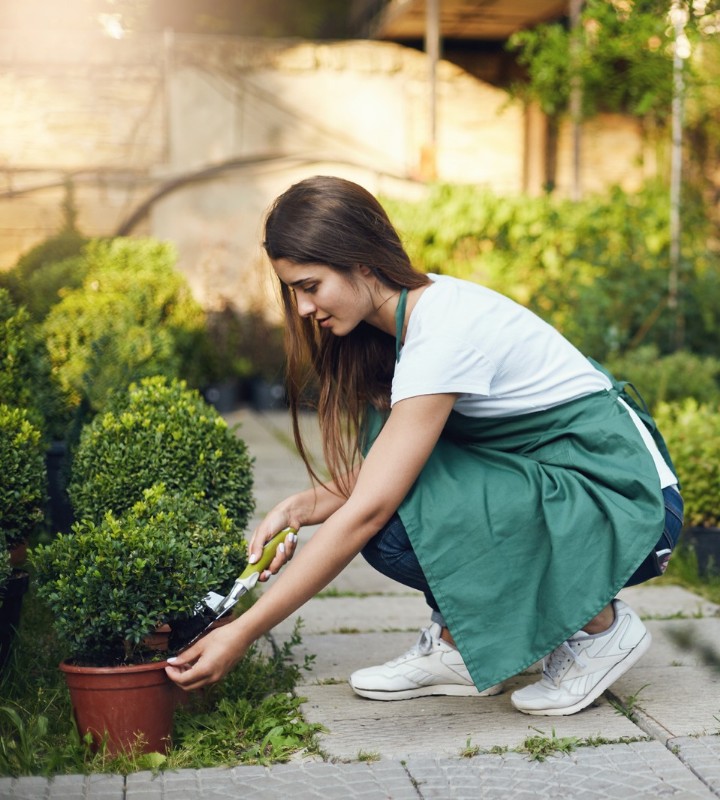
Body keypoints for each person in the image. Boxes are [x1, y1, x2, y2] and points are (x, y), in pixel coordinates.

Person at [166, 175, 683, 716]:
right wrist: (301, 506)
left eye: (310, 285)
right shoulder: (403, 321)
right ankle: (461, 647)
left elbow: (373, 506)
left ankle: (599, 629)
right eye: (293, 290)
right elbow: (393, 465)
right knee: (397, 498)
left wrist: (243, 630)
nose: (300, 308)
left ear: (363, 264)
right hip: (568, 488)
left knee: (389, 529)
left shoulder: (442, 332)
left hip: (632, 505)